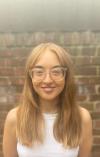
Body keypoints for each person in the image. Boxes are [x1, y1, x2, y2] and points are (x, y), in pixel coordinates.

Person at [3, 43, 92, 157]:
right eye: (39, 72)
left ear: (66, 76)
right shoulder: (15, 118)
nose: (48, 80)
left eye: (56, 71)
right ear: (31, 77)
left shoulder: (82, 118)